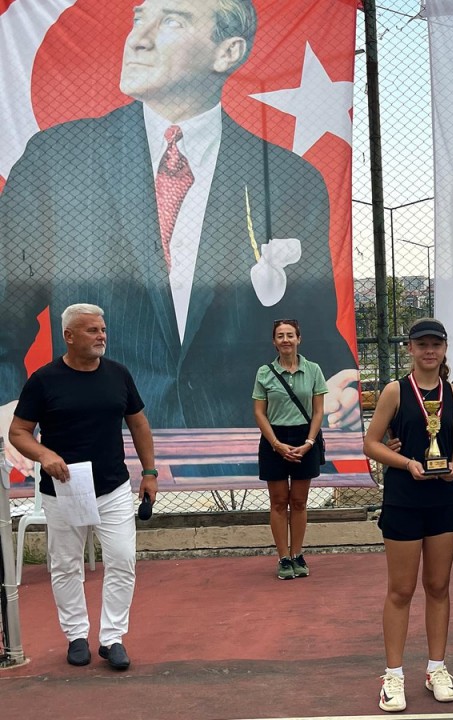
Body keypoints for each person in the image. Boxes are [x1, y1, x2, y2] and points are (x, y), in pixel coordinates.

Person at [0, 0, 358, 474]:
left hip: (243, 447)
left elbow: (311, 325)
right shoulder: (56, 159)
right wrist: (7, 404)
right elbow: (4, 314)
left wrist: (337, 383)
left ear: (227, 52)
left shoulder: (290, 178)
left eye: (170, 21)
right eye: (138, 19)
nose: (138, 39)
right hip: (95, 442)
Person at [8, 304, 157, 671]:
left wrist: (149, 472)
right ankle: (76, 636)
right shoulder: (44, 380)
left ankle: (112, 638)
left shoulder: (118, 375)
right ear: (69, 336)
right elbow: (18, 432)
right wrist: (44, 454)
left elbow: (138, 424)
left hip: (113, 486)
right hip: (65, 488)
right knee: (65, 564)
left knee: (122, 559)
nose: (101, 336)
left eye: (102, 329)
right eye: (92, 330)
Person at [362, 318, 453, 713]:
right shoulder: (395, 390)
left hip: (444, 500)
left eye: (435, 344)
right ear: (410, 348)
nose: (429, 351)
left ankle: (436, 668)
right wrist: (406, 463)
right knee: (401, 590)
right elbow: (371, 443)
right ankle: (393, 675)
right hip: (404, 501)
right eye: (422, 344)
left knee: (438, 586)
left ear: (444, 349)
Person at [253, 319, 327, 580]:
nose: (286, 340)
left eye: (290, 335)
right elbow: (259, 413)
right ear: (274, 342)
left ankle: (297, 554)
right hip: (274, 439)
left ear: (299, 339)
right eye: (280, 336)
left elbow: (318, 411)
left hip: (305, 439)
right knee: (278, 502)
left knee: (298, 501)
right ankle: (283, 558)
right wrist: (275, 444)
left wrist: (309, 442)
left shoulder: (313, 370)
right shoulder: (264, 373)